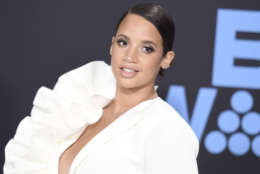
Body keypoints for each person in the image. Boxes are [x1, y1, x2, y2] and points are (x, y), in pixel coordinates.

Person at [3, 2, 199, 174]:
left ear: (166, 59)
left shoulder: (170, 130)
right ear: (112, 46)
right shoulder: (82, 100)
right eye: (123, 42)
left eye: (146, 48)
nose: (130, 56)